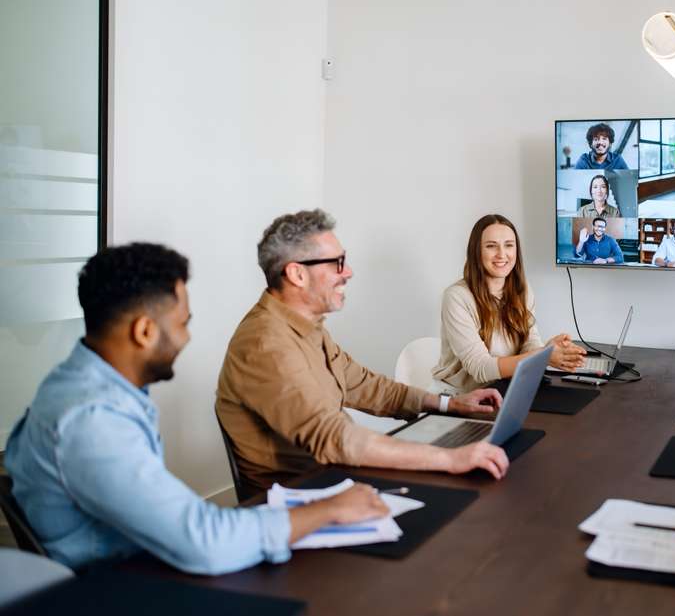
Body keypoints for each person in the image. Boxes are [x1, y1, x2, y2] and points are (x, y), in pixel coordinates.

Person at [5, 243, 388, 574]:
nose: (187, 337)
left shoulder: (78, 382)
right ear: (144, 332)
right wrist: (327, 510)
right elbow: (203, 539)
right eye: (183, 323)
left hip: (141, 561)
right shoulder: (93, 418)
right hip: (120, 586)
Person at [216, 210, 511, 493]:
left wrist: (449, 404)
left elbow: (369, 387)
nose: (348, 272)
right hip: (302, 497)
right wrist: (449, 459)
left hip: (336, 476)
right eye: (336, 262)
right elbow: (334, 437)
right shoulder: (266, 344)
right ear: (297, 274)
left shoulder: (307, 328)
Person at [433, 215, 585, 392]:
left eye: (509, 245)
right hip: (459, 395)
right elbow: (481, 369)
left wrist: (545, 350)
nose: (502, 254)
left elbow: (529, 342)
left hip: (504, 386)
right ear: (476, 251)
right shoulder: (456, 297)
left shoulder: (522, 289)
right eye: (491, 246)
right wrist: (544, 356)